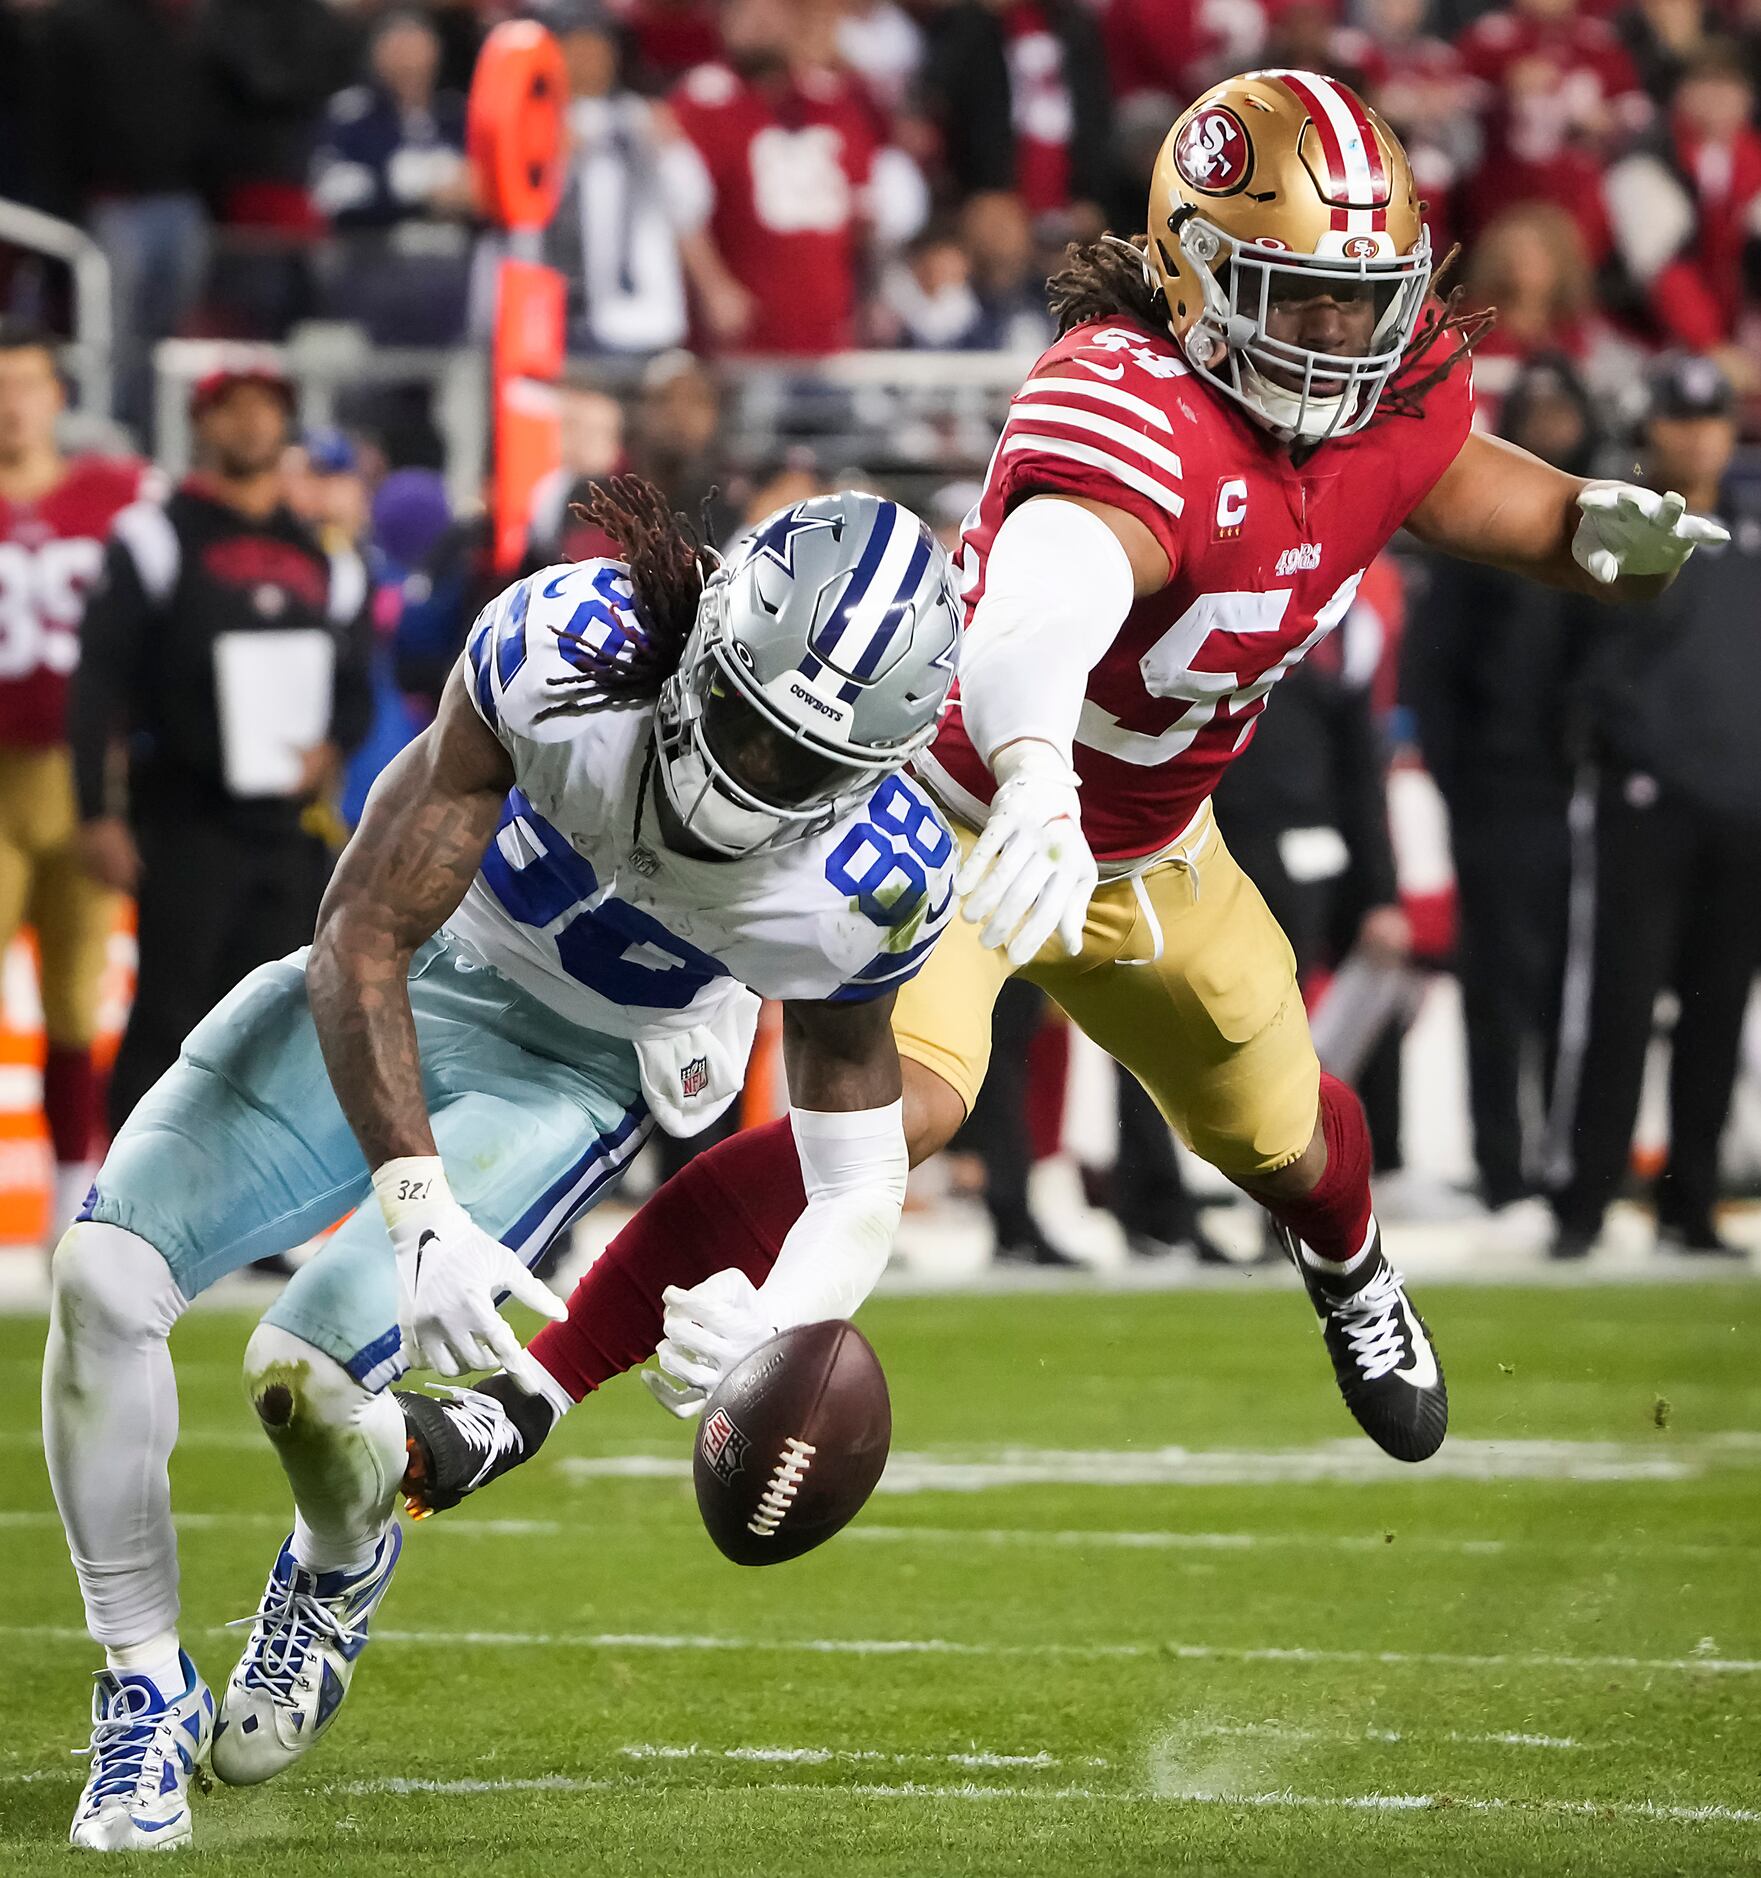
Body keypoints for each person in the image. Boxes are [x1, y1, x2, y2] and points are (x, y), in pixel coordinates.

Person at [395, 70, 1722, 1520]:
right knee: (889, 1115)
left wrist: (1575, 521)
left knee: (1285, 1138)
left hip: (1159, 850)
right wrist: (1033, 775)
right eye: (1299, 300)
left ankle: (1347, 1265)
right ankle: (527, 1390)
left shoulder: (1378, 388)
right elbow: (1046, 597)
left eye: (1360, 299)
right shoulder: (1127, 399)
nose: (1339, 337)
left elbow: (1437, 468)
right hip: (954, 824)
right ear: (1195, 277)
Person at [44, 479, 961, 1850]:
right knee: (103, 1276)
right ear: (706, 638)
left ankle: (340, 1561)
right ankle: (142, 1685)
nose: (754, 779)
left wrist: (779, 1319)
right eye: (747, 725)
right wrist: (415, 1206)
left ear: (879, 764)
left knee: (296, 1374)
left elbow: (857, 1170)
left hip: (577, 1066)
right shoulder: (568, 656)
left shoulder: (870, 881)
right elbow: (361, 929)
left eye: (804, 766)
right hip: (420, 970)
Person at [67, 364, 375, 1135]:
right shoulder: (156, 532)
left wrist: (331, 750)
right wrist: (94, 811)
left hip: (287, 824)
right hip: (183, 813)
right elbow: (99, 679)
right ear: (201, 424)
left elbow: (356, 687)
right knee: (170, 1010)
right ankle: (126, 1213)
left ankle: (249, 1218)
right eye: (231, 409)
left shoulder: (326, 554)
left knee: (273, 1021)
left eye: (267, 409)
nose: (250, 425)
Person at [1546, 355, 1761, 1260]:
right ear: (1651, 428)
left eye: (1712, 420)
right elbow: (1577, 667)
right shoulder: (1623, 520)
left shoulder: (1751, 525)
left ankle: (1691, 1201)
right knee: (1622, 1007)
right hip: (1646, 804)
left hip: (1742, 806)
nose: (1698, 435)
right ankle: (1585, 1201)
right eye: (1680, 418)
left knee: (1717, 1012)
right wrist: (1618, 755)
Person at [1404, 354, 1602, 1222]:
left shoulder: (1610, 532)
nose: (1556, 424)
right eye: (1541, 407)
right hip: (1500, 792)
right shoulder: (1484, 537)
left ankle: (1572, 1163)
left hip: (1586, 795)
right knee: (1498, 983)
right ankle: (1501, 1164)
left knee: (1577, 984)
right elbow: (1432, 674)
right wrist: (1463, 787)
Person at [0, 322, 152, 1239]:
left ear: (59, 395)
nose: (11, 403)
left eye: (25, 382)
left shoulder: (120, 498)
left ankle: (67, 1199)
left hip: (88, 782)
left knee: (73, 1000)